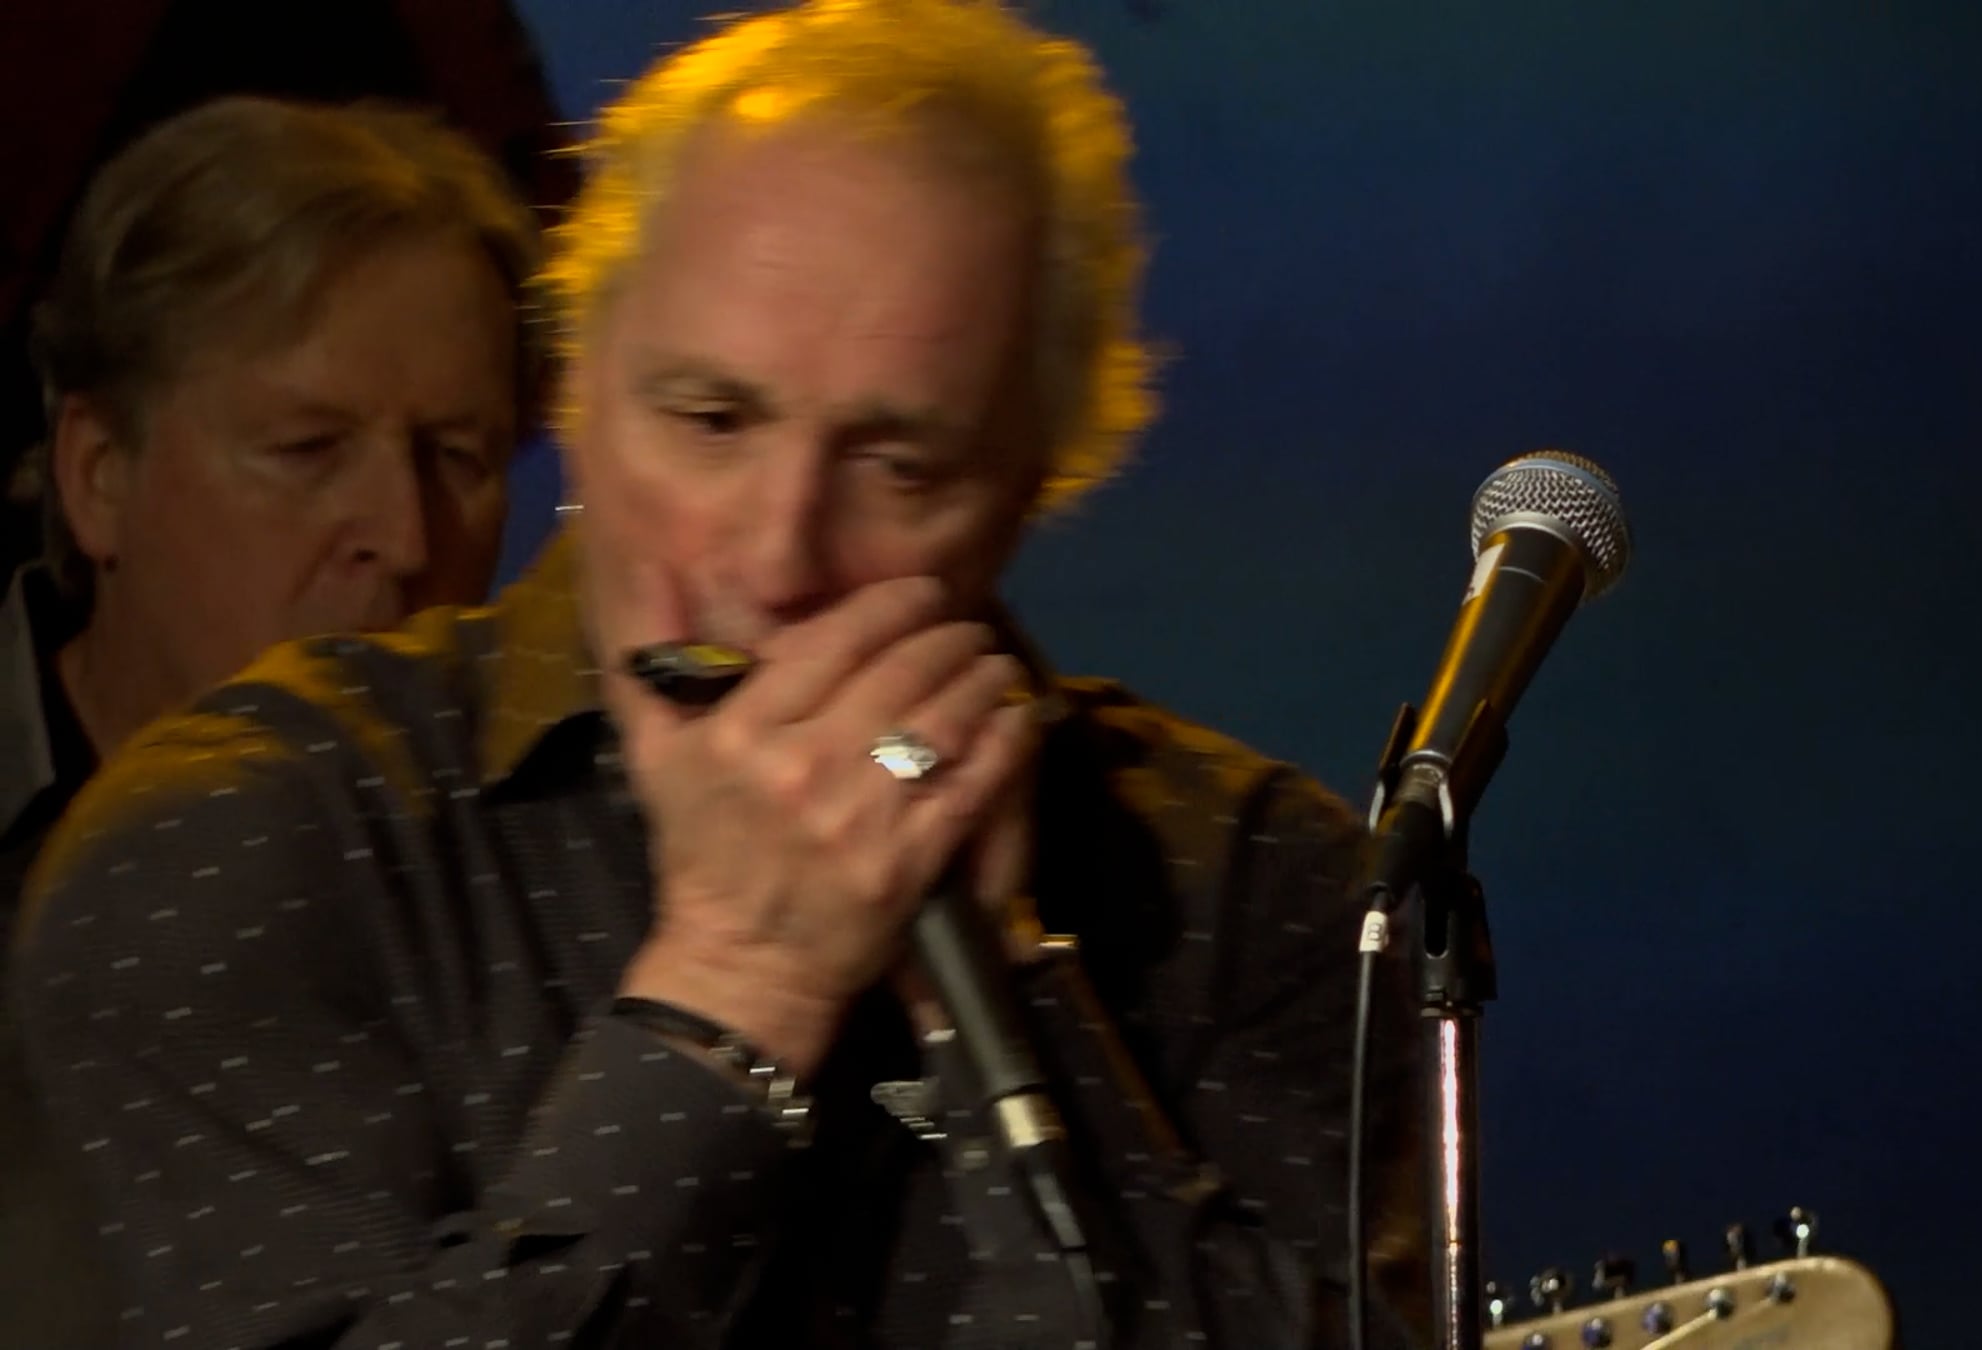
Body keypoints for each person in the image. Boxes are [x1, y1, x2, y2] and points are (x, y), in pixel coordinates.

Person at [13, 4, 1424, 1348]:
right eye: (710, 418)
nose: (776, 554)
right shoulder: (249, 838)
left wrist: (1004, 981)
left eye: (898, 465)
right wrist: (742, 984)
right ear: (578, 391)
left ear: (1033, 481)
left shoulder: (1250, 880)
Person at [1, 96, 540, 1346]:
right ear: (99, 476)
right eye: (308, 450)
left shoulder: (560, 873)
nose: (404, 540)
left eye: (458, 457)